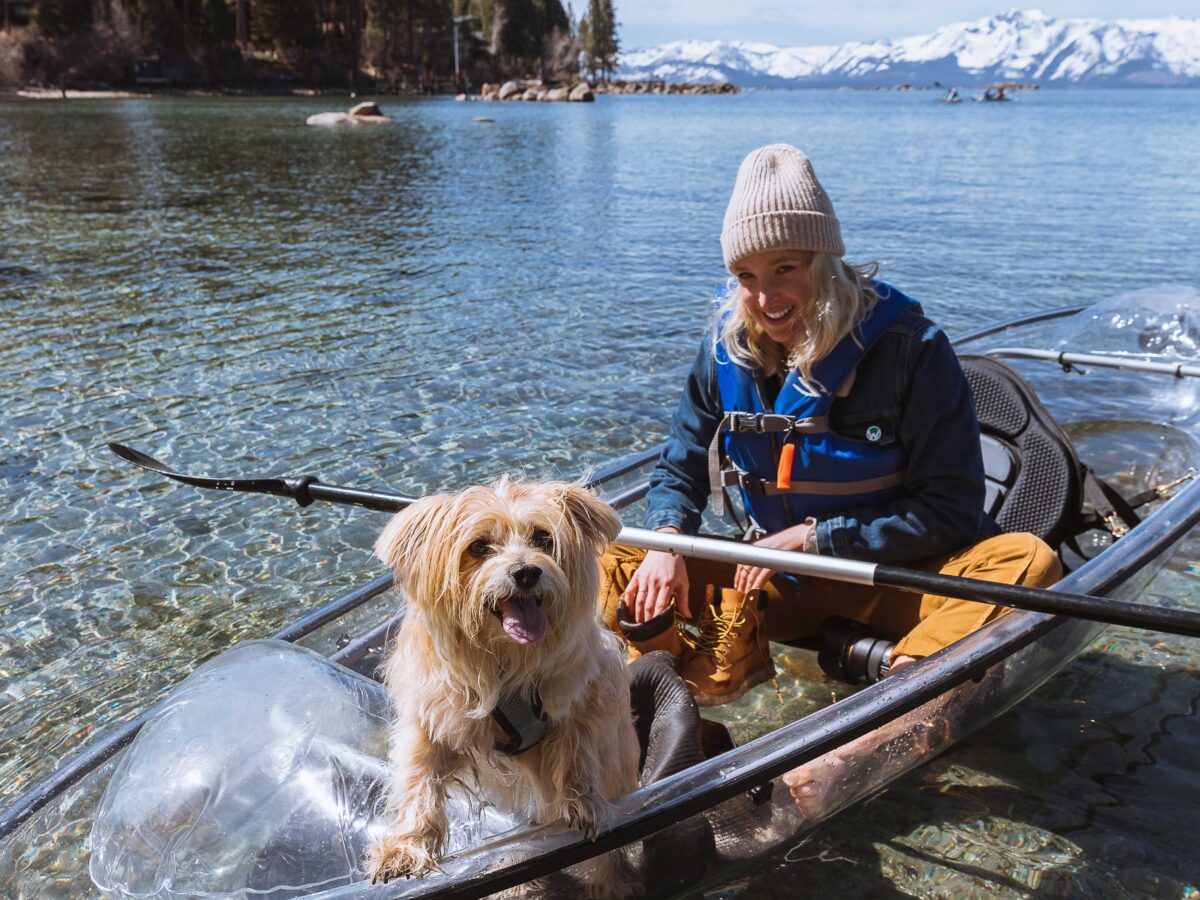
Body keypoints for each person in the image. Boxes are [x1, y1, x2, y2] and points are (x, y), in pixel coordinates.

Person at [598, 143, 1062, 712]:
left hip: (893, 581)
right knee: (612, 558)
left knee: (1028, 562)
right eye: (746, 276)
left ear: (825, 261)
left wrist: (814, 538)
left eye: (785, 270)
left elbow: (953, 509)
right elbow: (680, 465)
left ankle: (895, 710)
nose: (765, 300)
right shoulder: (723, 350)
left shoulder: (914, 352)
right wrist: (666, 539)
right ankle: (647, 699)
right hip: (775, 585)